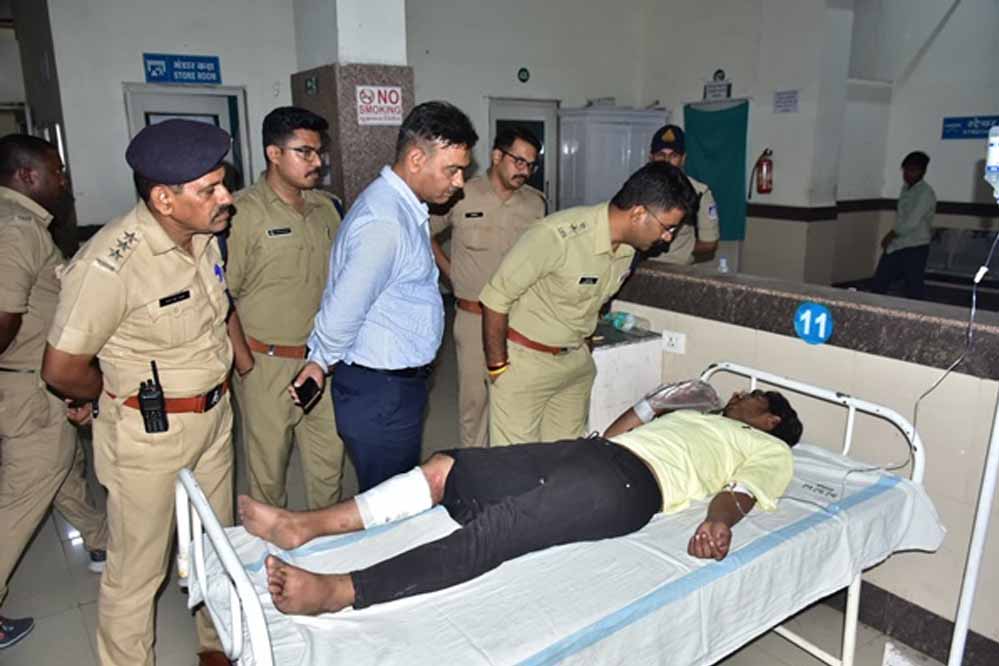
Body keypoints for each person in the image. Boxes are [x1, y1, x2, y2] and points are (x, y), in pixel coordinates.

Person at [239, 388, 802, 615]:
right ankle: (304, 525)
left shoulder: (768, 448)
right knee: (446, 468)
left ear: (770, 419)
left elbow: (740, 492)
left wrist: (718, 523)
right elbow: (618, 432)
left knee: (499, 530)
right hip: (595, 452)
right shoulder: (700, 416)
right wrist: (656, 403)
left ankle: (340, 591)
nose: (738, 394)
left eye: (752, 397)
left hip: (633, 487)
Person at [41, 120, 237, 666]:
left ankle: (217, 644)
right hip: (148, 437)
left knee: (215, 546)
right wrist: (108, 394)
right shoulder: (110, 263)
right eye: (210, 189)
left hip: (215, 419)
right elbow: (61, 367)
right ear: (163, 199)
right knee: (137, 573)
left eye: (223, 183)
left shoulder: (203, 235)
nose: (226, 197)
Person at [291, 101, 478, 491]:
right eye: (452, 170)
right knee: (386, 504)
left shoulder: (402, 207)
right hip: (380, 393)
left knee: (390, 493)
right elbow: (344, 307)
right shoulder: (385, 222)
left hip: (392, 387)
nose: (459, 181)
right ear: (416, 159)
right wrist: (320, 359)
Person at [480, 162, 696, 446]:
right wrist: (498, 368)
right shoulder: (556, 236)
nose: (667, 238)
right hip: (526, 363)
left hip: (575, 365)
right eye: (667, 228)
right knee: (515, 462)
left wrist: (584, 348)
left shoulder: (629, 250)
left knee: (568, 457)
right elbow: (495, 298)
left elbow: (594, 301)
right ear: (638, 213)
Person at [0, 134, 108, 650]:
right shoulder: (18, 230)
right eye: (56, 171)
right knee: (22, 499)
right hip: (27, 386)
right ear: (27, 176)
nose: (64, 181)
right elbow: (3, 318)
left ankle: (100, 540)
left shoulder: (15, 221)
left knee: (63, 469)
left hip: (29, 385)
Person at [226, 107, 346, 509]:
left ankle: (326, 541)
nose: (317, 162)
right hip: (266, 364)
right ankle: (268, 545)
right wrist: (245, 364)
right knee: (269, 474)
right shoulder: (240, 214)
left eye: (319, 152)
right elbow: (221, 296)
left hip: (322, 361)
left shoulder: (329, 208)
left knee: (328, 467)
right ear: (273, 154)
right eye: (304, 152)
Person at [430, 126, 546, 448]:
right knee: (475, 402)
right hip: (474, 318)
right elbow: (424, 232)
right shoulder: (461, 194)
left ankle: (507, 462)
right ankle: (475, 465)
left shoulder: (536, 204)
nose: (524, 171)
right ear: (496, 156)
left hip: (519, 318)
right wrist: (450, 273)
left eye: (530, 165)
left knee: (515, 398)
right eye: (518, 161)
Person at [647, 124, 720, 264]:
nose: (666, 161)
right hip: (637, 267)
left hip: (677, 267)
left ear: (683, 158)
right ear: (651, 157)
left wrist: (681, 253)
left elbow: (709, 243)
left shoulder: (699, 192)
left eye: (673, 156)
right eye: (661, 155)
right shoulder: (637, 187)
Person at [871, 151, 936, 300]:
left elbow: (911, 222)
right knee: (879, 282)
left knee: (914, 288)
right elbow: (901, 218)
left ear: (922, 172)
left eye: (912, 170)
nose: (907, 174)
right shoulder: (906, 189)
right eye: (905, 170)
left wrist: (891, 234)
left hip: (915, 246)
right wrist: (893, 238)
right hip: (898, 244)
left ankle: (918, 313)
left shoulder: (925, 193)